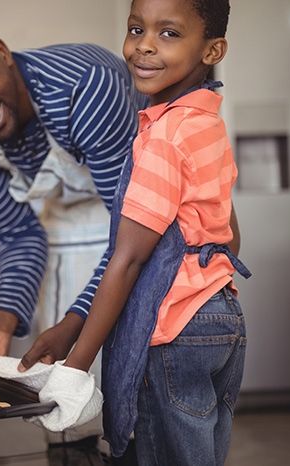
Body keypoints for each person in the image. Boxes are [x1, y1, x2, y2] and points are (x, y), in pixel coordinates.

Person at [20, 0, 251, 464]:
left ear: (212, 50)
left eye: (169, 33)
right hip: (221, 319)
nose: (144, 45)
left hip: (174, 330)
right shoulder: (206, 124)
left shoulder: (163, 137)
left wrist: (75, 369)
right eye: (135, 28)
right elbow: (231, 237)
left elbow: (126, 261)